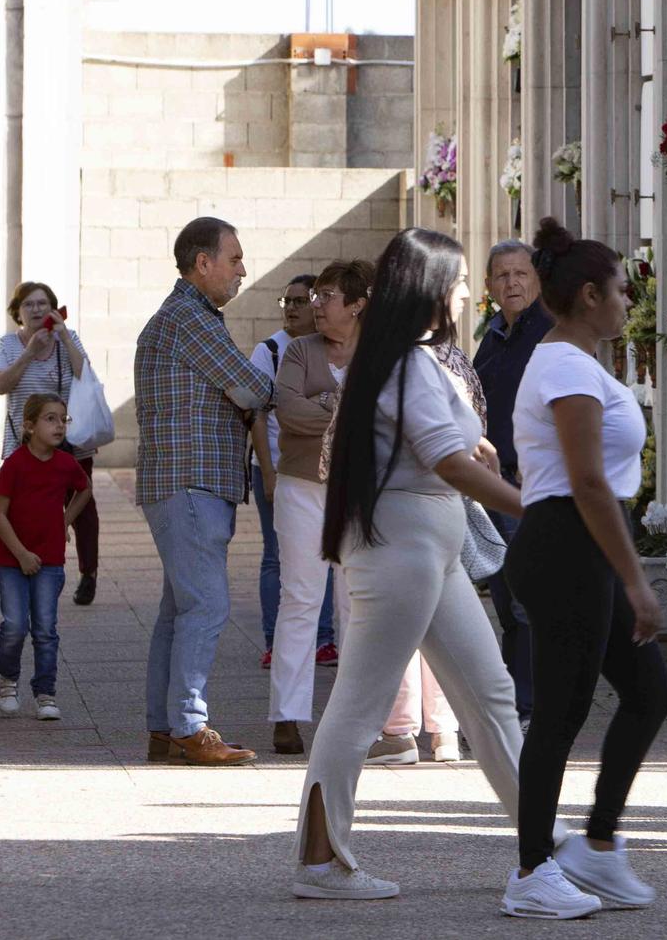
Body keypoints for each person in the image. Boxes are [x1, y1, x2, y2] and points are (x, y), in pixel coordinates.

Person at [291, 227, 531, 904]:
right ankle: (319, 859)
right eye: (457, 280)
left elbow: (439, 443)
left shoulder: (399, 358)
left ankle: (541, 840)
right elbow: (443, 458)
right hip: (406, 557)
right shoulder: (409, 361)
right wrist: (530, 508)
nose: (466, 291)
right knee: (360, 708)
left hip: (427, 554)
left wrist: (471, 442)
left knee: (490, 697)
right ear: (430, 288)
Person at [502, 218, 667, 919]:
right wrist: (635, 579)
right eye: (623, 292)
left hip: (581, 543)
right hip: (567, 542)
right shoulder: (567, 366)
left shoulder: (578, 361)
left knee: (648, 692)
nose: (631, 303)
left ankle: (597, 844)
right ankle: (532, 868)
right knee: (562, 711)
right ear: (592, 295)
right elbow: (588, 482)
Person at [135, 216, 272, 767]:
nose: (242, 270)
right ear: (202, 264)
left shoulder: (187, 317)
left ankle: (166, 729)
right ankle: (189, 725)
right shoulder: (191, 319)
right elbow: (254, 386)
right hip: (189, 483)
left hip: (187, 484)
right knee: (207, 604)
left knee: (181, 609)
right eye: (234, 259)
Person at [268, 261, 371, 756]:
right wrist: (343, 407)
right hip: (301, 487)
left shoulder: (378, 355)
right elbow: (287, 410)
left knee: (355, 603)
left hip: (359, 491)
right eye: (316, 296)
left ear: (357, 304)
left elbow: (383, 416)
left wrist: (324, 406)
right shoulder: (297, 351)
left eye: (327, 296)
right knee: (301, 599)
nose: (316, 305)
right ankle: (287, 716)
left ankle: (351, 720)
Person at [471, 239, 552, 723]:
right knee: (504, 597)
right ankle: (513, 701)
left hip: (531, 485)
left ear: (536, 279)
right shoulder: (493, 334)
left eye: (521, 273)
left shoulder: (549, 332)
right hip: (491, 484)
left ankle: (528, 705)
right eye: (502, 275)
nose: (512, 283)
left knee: (526, 602)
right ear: (489, 286)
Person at [0, 281, 101, 606]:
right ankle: (24, 561)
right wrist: (28, 353)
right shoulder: (9, 344)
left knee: (84, 505)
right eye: (29, 305)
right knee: (22, 505)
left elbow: (86, 375)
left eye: (43, 304)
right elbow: (1, 384)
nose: (37, 310)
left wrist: (65, 337)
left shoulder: (67, 339)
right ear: (18, 312)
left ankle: (88, 573)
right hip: (23, 442)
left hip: (69, 438)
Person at [252, 274, 338, 670]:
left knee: (328, 552)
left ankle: (323, 640)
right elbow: (259, 416)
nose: (292, 307)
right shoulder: (269, 351)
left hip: (328, 471)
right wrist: (268, 474)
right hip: (277, 467)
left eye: (301, 300)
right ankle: (275, 641)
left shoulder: (334, 350)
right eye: (286, 300)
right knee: (277, 557)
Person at [0, 394, 92, 722]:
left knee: (46, 629)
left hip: (50, 561)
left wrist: (64, 520)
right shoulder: (14, 464)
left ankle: (45, 692)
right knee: (15, 626)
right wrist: (20, 554)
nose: (59, 425)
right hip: (12, 561)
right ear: (30, 426)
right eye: (50, 418)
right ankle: (8, 681)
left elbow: (84, 489)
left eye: (63, 419)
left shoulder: (65, 464)